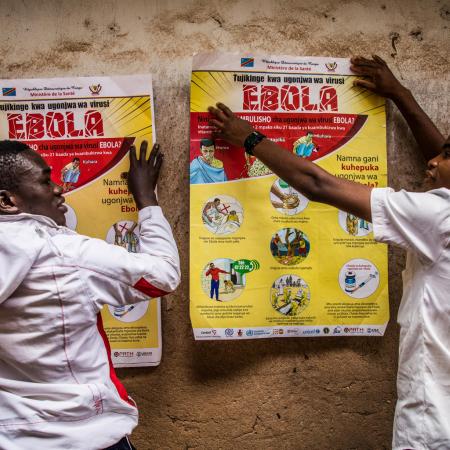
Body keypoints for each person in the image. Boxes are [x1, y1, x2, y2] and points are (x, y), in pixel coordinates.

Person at [208, 55, 449, 450]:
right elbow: (440, 156)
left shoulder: (438, 215)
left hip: (434, 421)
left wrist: (250, 139)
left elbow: (317, 183)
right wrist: (401, 96)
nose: (433, 161)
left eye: (444, 157)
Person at [0, 140, 181, 450]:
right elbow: (162, 277)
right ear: (7, 201)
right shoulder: (66, 254)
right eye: (45, 180)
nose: (59, 189)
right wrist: (147, 200)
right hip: (82, 432)